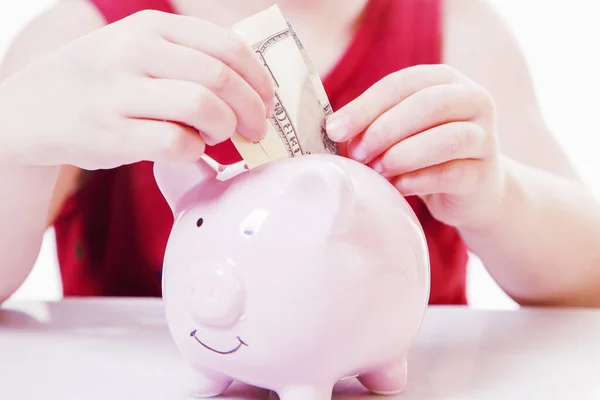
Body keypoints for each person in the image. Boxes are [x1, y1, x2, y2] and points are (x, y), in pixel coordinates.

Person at [1, 0, 599, 307]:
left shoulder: (453, 32)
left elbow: (589, 278)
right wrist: (15, 136)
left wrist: (498, 197)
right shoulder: (81, 46)